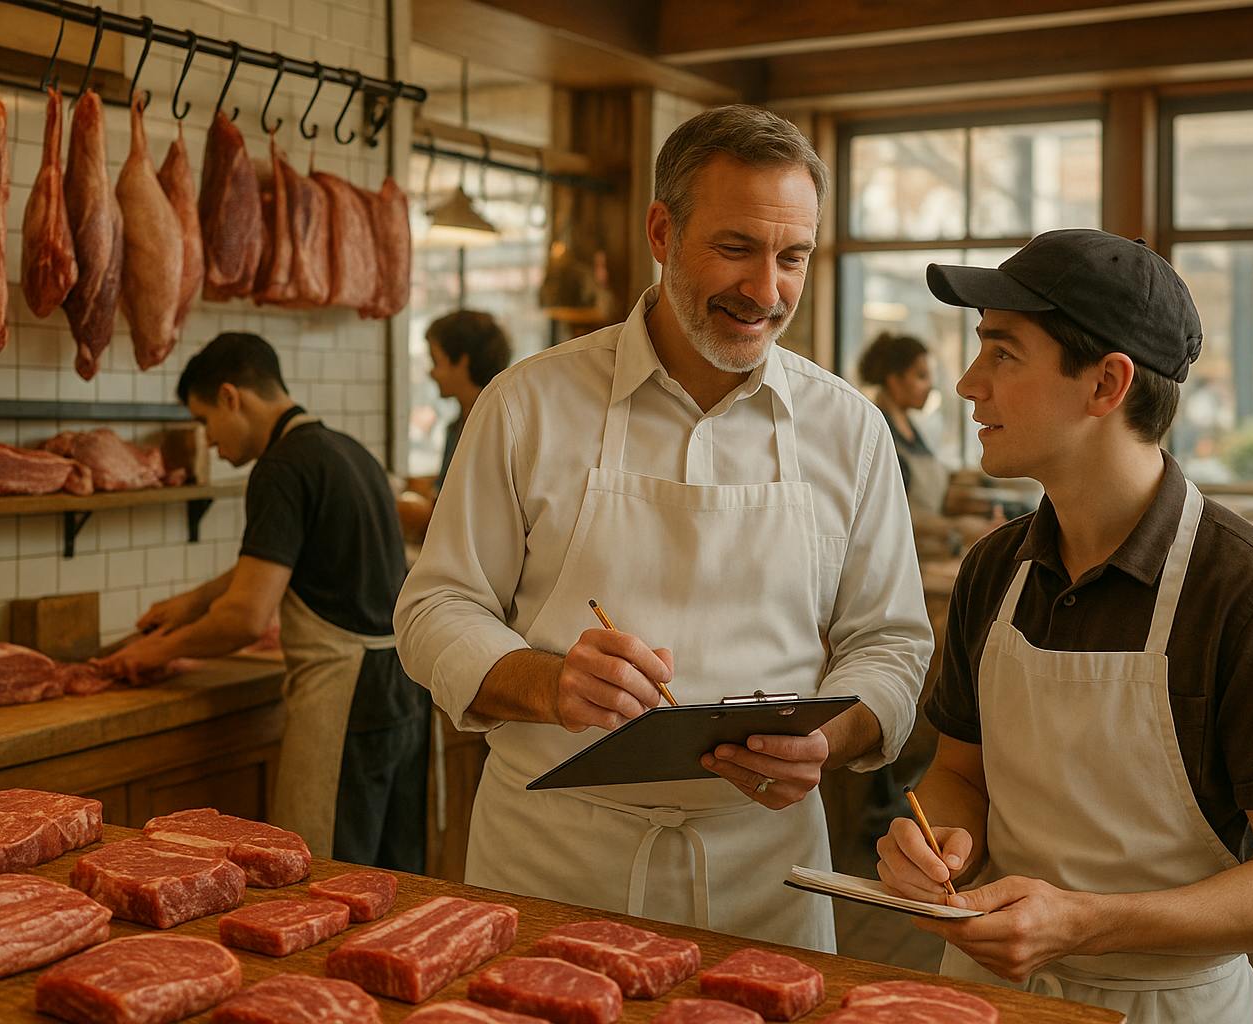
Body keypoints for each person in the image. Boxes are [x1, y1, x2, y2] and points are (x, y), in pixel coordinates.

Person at [394, 104, 933, 952]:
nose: (766, 290)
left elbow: (893, 645)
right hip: (554, 860)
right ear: (661, 229)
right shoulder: (527, 404)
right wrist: (547, 682)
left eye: (792, 257)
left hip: (769, 876)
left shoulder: (850, 429)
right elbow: (435, 610)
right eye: (735, 247)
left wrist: (827, 738)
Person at [875, 230, 1253, 1023]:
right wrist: (937, 841)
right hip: (986, 993)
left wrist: (1084, 924)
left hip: (1164, 1006)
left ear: (1106, 384)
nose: (967, 383)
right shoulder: (996, 570)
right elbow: (960, 773)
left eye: (1002, 353)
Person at [99, 333, 431, 870]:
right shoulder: (346, 451)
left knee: (325, 878)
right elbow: (286, 558)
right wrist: (196, 599)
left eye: (205, 421)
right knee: (393, 879)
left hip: (344, 697)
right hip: (404, 690)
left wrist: (154, 653)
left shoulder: (280, 467)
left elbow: (246, 619)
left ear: (232, 396)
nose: (208, 442)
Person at [400, 311, 513, 540]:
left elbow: (476, 516)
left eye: (435, 361)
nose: (431, 372)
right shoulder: (457, 426)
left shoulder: (499, 426)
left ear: (462, 360)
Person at [857, 331, 949, 521]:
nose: (931, 386)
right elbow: (888, 515)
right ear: (895, 380)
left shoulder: (912, 428)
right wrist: (955, 529)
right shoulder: (877, 431)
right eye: (922, 376)